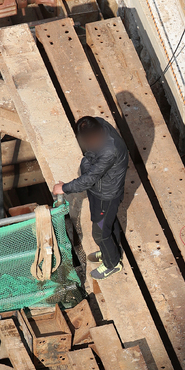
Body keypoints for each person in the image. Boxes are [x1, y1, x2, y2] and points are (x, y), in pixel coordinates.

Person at [53, 116, 129, 280]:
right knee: (109, 221)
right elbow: (91, 161)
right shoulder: (97, 123)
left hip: (106, 195)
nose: (87, 144)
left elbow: (89, 179)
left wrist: (64, 187)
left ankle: (112, 264)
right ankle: (111, 251)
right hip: (99, 190)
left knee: (100, 233)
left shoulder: (110, 150)